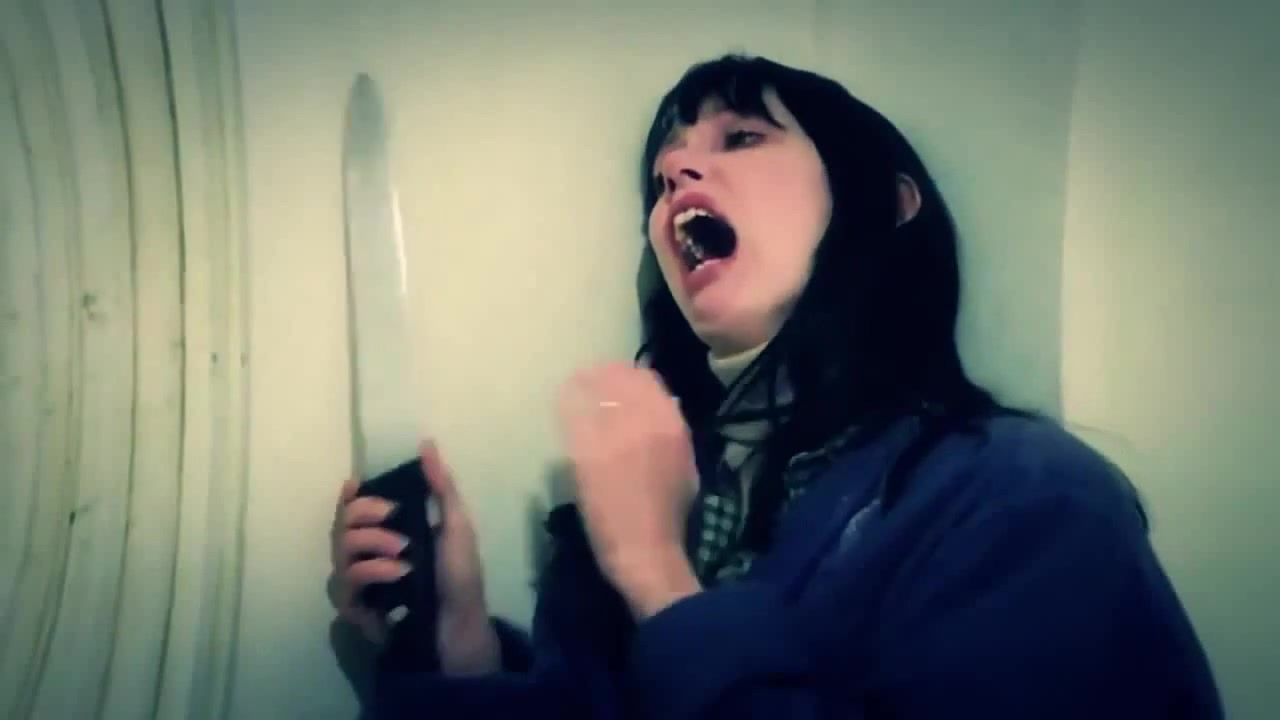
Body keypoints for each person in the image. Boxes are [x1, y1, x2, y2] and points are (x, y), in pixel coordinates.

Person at [331, 53, 1224, 719]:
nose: (675, 172)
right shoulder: (639, 493)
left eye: (743, 138)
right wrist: (462, 646)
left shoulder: (1025, 495)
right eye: (664, 169)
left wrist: (658, 575)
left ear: (884, 203)